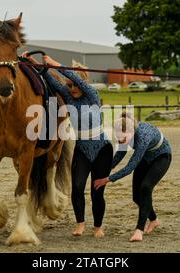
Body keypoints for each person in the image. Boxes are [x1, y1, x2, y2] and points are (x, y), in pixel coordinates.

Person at [21, 52, 112, 238]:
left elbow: (74, 77)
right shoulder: (68, 97)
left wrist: (55, 63)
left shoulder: (92, 95)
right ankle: (80, 224)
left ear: (83, 83)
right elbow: (48, 77)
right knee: (77, 187)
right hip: (82, 149)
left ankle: (98, 227)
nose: (72, 89)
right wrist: (33, 62)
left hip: (102, 149)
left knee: (97, 191)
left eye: (75, 85)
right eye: (69, 86)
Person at [94, 113, 172, 242]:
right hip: (145, 158)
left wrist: (108, 179)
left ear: (132, 131)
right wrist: (107, 169)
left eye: (123, 139)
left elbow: (130, 167)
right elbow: (120, 153)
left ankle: (139, 230)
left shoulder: (143, 136)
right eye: (118, 139)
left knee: (146, 187)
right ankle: (154, 220)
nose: (121, 141)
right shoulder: (125, 133)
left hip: (161, 157)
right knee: (136, 197)